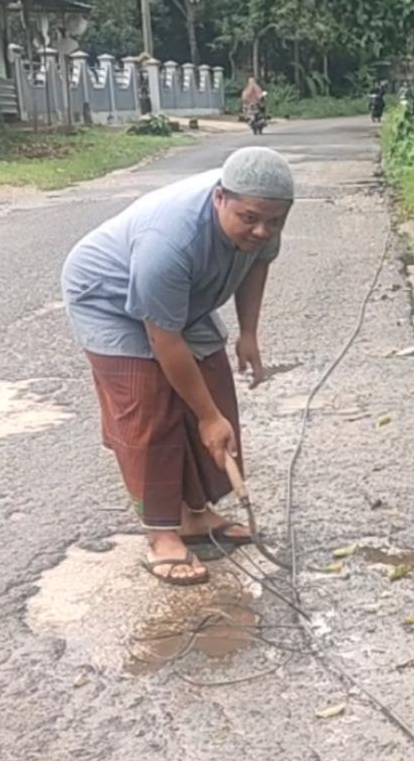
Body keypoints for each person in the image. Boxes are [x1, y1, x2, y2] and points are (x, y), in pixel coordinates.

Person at [61, 147, 294, 585]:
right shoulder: (169, 241)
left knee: (214, 385)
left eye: (274, 221)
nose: (262, 230)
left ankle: (194, 515)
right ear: (220, 197)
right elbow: (164, 340)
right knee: (150, 405)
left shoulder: (264, 209)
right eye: (250, 219)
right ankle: (162, 534)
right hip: (108, 299)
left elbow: (256, 265)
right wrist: (207, 418)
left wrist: (249, 334)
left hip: (183, 300)